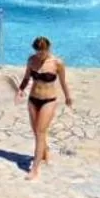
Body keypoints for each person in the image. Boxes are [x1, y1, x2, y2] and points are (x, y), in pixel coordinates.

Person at [15, 36, 71, 181]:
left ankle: (34, 168)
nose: (41, 55)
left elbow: (63, 82)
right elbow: (27, 77)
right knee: (36, 131)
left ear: (48, 48)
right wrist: (20, 90)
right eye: (38, 52)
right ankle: (44, 152)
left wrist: (68, 97)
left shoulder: (57, 63)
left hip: (49, 100)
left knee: (40, 132)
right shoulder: (31, 60)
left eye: (43, 52)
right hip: (33, 99)